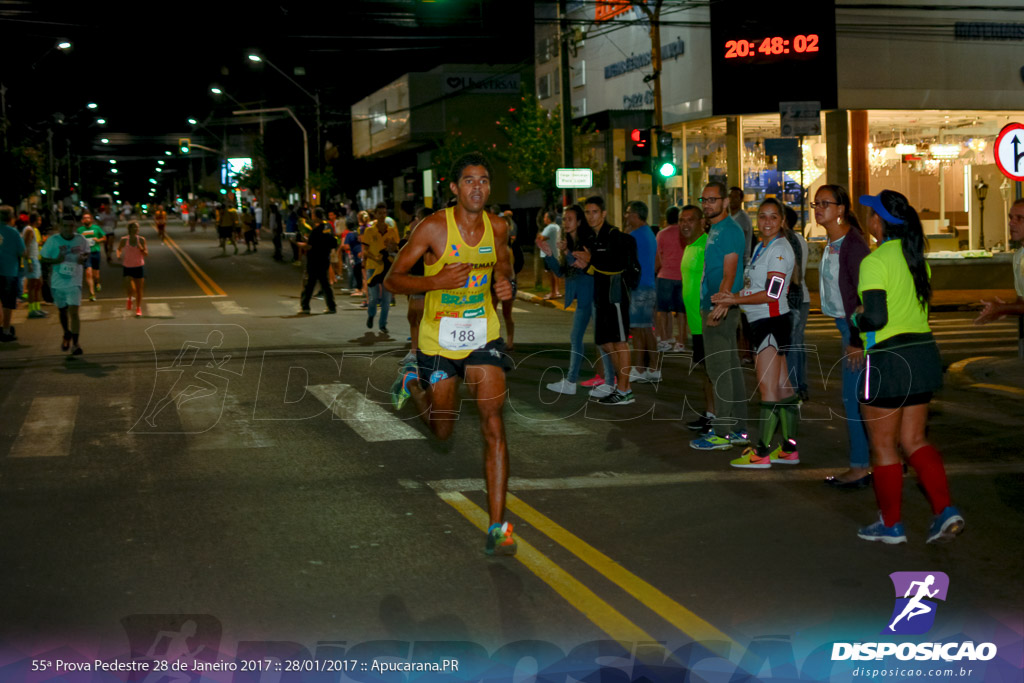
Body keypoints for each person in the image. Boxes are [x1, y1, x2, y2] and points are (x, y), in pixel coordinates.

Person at [384, 152, 517, 556]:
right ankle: (415, 384)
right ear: (456, 188)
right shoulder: (433, 228)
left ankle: (498, 526)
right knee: (443, 430)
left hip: (483, 338)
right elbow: (392, 280)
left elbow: (503, 264)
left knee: (493, 424)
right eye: (469, 181)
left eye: (484, 180)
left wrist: (504, 285)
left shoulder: (498, 227)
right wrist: (436, 280)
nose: (478, 187)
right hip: (439, 343)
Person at [853, 190, 963, 545]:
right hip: (922, 355)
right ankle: (945, 510)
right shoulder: (918, 259)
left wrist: (856, 319)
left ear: (879, 222)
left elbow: (875, 317)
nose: (869, 220)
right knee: (915, 440)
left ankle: (891, 524)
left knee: (884, 447)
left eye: (872, 214)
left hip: (888, 359)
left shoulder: (874, 261)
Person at [711, 198, 799, 468]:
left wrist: (733, 301)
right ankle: (788, 448)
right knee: (783, 388)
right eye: (762, 216)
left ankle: (761, 451)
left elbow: (772, 294)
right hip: (765, 322)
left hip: (770, 323)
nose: (767, 222)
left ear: (782, 221)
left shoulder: (780, 249)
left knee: (768, 389)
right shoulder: (763, 246)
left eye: (773, 217)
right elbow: (755, 287)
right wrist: (733, 297)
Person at [813, 184, 872, 489]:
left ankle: (861, 466)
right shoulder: (834, 243)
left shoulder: (853, 245)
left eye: (825, 203)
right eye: (816, 203)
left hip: (854, 329)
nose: (818, 208)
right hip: (845, 327)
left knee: (854, 399)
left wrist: (855, 339)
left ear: (841, 209)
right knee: (858, 398)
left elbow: (864, 297)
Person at [690, 182, 750, 449]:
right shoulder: (716, 228)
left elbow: (730, 271)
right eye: (704, 199)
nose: (707, 204)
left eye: (713, 200)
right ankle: (737, 428)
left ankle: (723, 432)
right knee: (731, 369)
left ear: (725, 202)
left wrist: (720, 305)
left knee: (719, 370)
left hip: (720, 307)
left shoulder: (729, 230)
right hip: (717, 304)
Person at [539, 204, 616, 395]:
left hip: (595, 296)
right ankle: (571, 381)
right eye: (564, 219)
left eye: (569, 219)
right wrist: (549, 255)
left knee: (602, 340)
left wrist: (566, 253)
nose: (565, 222)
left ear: (579, 221)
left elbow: (585, 265)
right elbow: (563, 272)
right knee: (577, 337)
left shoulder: (587, 241)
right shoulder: (569, 243)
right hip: (583, 299)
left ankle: (610, 381)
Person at [572, 196, 637, 405]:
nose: (591, 217)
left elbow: (615, 266)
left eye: (594, 212)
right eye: (588, 213)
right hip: (601, 297)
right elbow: (598, 268)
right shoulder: (593, 238)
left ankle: (625, 390)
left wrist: (591, 261)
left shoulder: (614, 236)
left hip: (616, 296)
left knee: (619, 343)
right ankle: (621, 385)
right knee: (606, 343)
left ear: (603, 214)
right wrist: (586, 265)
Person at [679, 205, 717, 434]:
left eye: (690, 220)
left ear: (702, 221)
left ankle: (718, 418)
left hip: (706, 321)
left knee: (713, 373)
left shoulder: (706, 246)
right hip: (696, 325)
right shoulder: (690, 247)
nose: (685, 224)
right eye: (681, 220)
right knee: (706, 372)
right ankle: (710, 414)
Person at [39, 216, 90, 354]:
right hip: (58, 283)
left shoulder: (81, 239)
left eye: (71, 226)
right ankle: (66, 333)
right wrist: (56, 260)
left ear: (74, 226)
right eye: (65, 226)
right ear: (60, 226)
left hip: (74, 282)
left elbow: (86, 253)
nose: (68, 229)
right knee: (62, 311)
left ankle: (76, 344)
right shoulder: (53, 241)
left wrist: (82, 259)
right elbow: (43, 258)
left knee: (74, 312)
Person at [623, 200, 660, 384]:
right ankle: (654, 367)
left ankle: (639, 369)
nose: (626, 216)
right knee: (646, 329)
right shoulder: (650, 234)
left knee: (637, 330)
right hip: (649, 285)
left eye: (628, 213)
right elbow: (658, 262)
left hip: (639, 287)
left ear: (635, 215)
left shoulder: (635, 236)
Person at [975, 197, 1024, 324]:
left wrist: (1002, 308)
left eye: (1019, 218)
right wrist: (1005, 309)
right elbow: (1021, 302)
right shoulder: (1019, 257)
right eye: (1011, 217)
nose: (1011, 223)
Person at [782, 206, 811, 402]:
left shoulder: (789, 240)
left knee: (792, 345)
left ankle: (794, 385)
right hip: (803, 297)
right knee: (797, 344)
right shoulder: (800, 239)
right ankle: (800, 384)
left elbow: (794, 275)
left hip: (794, 298)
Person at [399, 206, 434, 365]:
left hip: (424, 281)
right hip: (423, 280)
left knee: (419, 317)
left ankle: (419, 352)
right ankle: (417, 351)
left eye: (418, 219)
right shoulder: (430, 234)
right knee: (415, 317)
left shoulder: (425, 235)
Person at [362, 203, 399, 332]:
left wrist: (392, 247)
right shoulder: (369, 231)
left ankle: (383, 323)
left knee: (386, 299)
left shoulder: (392, 231)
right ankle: (371, 315)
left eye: (384, 213)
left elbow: (397, 248)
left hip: (387, 268)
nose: (382, 216)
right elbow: (365, 250)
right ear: (376, 215)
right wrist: (373, 257)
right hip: (372, 267)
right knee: (373, 297)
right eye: (380, 213)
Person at [655, 206, 686, 353]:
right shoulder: (684, 233)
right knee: (681, 311)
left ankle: (665, 338)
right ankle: (681, 341)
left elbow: (658, 256)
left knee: (663, 310)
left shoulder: (661, 234)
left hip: (665, 275)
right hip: (682, 276)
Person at [299, 208, 338, 315]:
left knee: (309, 284)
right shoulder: (328, 227)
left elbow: (310, 246)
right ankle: (331, 306)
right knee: (325, 284)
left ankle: (305, 306)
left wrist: (299, 244)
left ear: (315, 216)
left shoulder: (316, 230)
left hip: (314, 260)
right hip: (325, 258)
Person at [0, 206, 26, 341]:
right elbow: (22, 252)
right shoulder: (13, 233)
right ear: (11, 218)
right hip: (9, 271)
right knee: (8, 303)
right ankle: (5, 331)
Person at [117, 221, 148, 317]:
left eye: (137, 228)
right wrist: (119, 255)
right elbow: (119, 249)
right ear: (129, 229)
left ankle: (138, 308)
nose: (136, 229)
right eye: (134, 227)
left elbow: (146, 253)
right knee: (130, 287)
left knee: (139, 289)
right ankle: (129, 298)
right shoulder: (124, 240)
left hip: (139, 266)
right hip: (127, 266)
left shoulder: (142, 240)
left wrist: (141, 248)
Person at [22, 213, 46, 319]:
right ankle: (32, 310)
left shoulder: (33, 230)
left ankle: (37, 308)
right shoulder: (29, 230)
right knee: (32, 286)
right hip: (31, 260)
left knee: (38, 284)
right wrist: (29, 262)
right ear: (34, 220)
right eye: (39, 220)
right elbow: (25, 247)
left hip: (35, 259)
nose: (40, 222)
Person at [76, 212, 105, 302]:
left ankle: (97, 283)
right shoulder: (80, 230)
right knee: (88, 272)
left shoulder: (96, 228)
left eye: (88, 218)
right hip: (86, 253)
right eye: (85, 218)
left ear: (91, 219)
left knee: (96, 275)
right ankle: (92, 293)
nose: (86, 219)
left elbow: (104, 238)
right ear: (82, 220)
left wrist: (98, 240)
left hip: (95, 252)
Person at [538, 210, 562, 299]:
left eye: (545, 217)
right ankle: (556, 291)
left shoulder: (550, 227)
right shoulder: (556, 227)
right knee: (555, 273)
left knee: (551, 274)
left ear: (549, 219)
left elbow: (541, 238)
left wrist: (539, 235)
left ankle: (553, 293)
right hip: (555, 252)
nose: (544, 219)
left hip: (549, 253)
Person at [729, 186, 754, 265]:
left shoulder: (743, 219)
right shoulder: (729, 217)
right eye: (730, 197)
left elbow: (737, 242)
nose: (732, 200)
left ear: (741, 200)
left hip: (740, 263)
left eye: (735, 197)